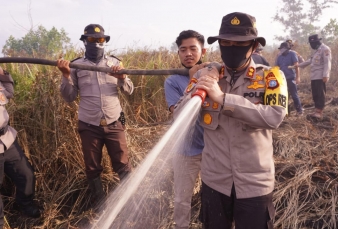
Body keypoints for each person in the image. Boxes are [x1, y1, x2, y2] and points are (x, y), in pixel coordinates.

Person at [175, 12, 287, 229]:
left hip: (255, 183)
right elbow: (179, 116)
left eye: (239, 43)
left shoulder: (271, 77)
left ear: (254, 46)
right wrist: (196, 90)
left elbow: (275, 116)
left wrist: (223, 98)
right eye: (225, 43)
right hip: (215, 181)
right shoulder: (205, 76)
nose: (231, 48)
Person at [56, 24, 134, 208]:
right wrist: (66, 76)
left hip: (114, 122)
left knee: (123, 164)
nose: (97, 43)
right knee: (92, 167)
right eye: (91, 40)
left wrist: (122, 78)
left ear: (105, 41)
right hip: (89, 124)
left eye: (100, 40)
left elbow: (130, 91)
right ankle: (100, 205)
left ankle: (130, 203)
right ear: (84, 41)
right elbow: (69, 97)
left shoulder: (115, 64)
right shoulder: (75, 66)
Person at [164, 30, 207, 229]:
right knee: (182, 198)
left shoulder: (214, 74)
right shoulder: (172, 81)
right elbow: (178, 114)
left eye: (193, 49)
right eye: (183, 50)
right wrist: (193, 82)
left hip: (213, 148)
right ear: (178, 53)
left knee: (216, 195)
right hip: (185, 149)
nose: (188, 53)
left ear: (203, 51)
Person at [0, 67, 41, 224]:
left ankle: (25, 205)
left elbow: (9, 92)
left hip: (7, 139)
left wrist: (2, 72)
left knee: (26, 174)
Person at [296, 34, 332, 118]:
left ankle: (319, 112)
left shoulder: (325, 49)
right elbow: (310, 61)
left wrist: (326, 75)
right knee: (315, 93)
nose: (311, 45)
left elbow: (327, 63)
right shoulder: (317, 51)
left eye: (312, 43)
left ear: (317, 42)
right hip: (314, 76)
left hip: (320, 76)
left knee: (320, 94)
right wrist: (298, 65)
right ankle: (316, 110)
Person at [276, 41, 303, 115]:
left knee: (294, 95)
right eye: (281, 49)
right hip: (282, 79)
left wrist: (298, 77)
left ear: (287, 48)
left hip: (291, 77)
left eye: (283, 48)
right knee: (284, 95)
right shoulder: (279, 56)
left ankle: (299, 111)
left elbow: (296, 66)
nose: (282, 50)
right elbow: (276, 67)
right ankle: (286, 112)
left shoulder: (292, 54)